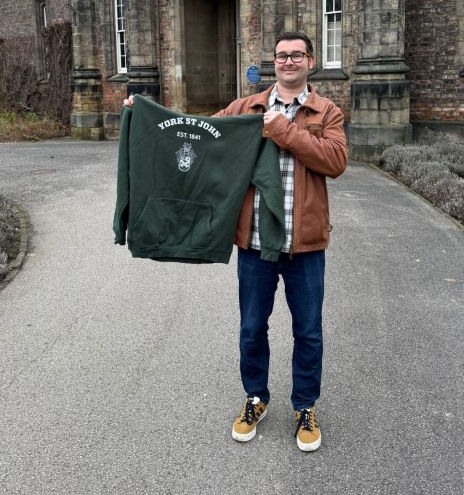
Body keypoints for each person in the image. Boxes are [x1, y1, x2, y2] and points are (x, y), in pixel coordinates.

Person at [124, 31, 348, 451]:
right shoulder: (246, 108)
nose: (288, 61)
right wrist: (145, 113)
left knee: (309, 331)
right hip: (254, 242)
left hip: (305, 245)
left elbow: (335, 161)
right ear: (273, 63)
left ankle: (305, 406)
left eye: (296, 55)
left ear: (310, 62)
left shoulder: (326, 111)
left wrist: (283, 130)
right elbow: (200, 129)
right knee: (251, 328)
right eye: (281, 56)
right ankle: (256, 398)